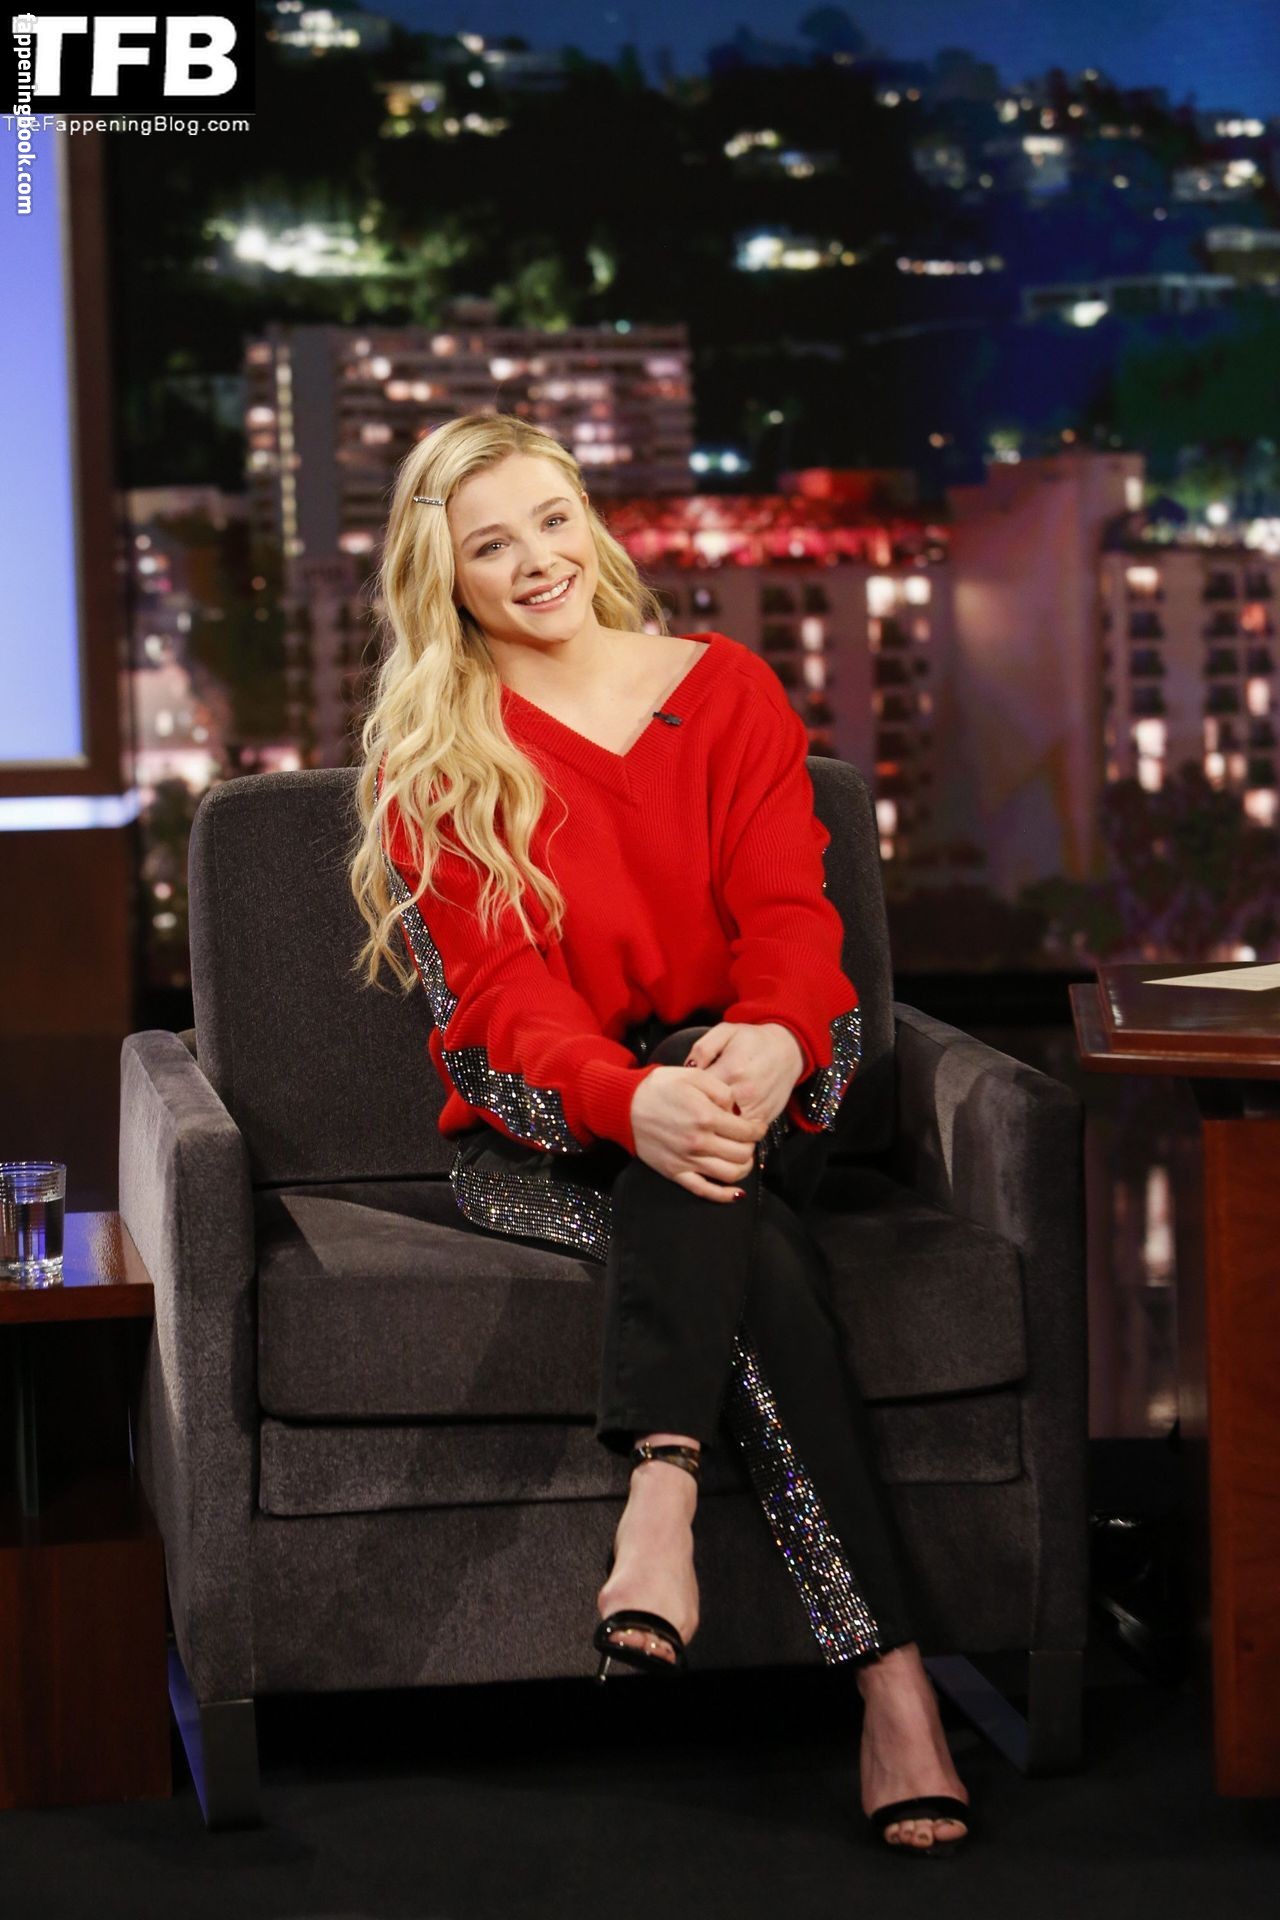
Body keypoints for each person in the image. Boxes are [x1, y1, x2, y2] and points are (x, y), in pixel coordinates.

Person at [348, 412, 972, 1856]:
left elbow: (793, 917)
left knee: (713, 1119)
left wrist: (778, 1032)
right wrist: (631, 1097)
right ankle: (898, 1694)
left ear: (590, 519)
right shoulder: (431, 758)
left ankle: (660, 1490)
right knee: (750, 1241)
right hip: (549, 1124)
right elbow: (498, 1006)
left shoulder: (726, 689)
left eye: (551, 519)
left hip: (751, 1075)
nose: (536, 561)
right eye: (490, 545)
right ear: (444, 578)